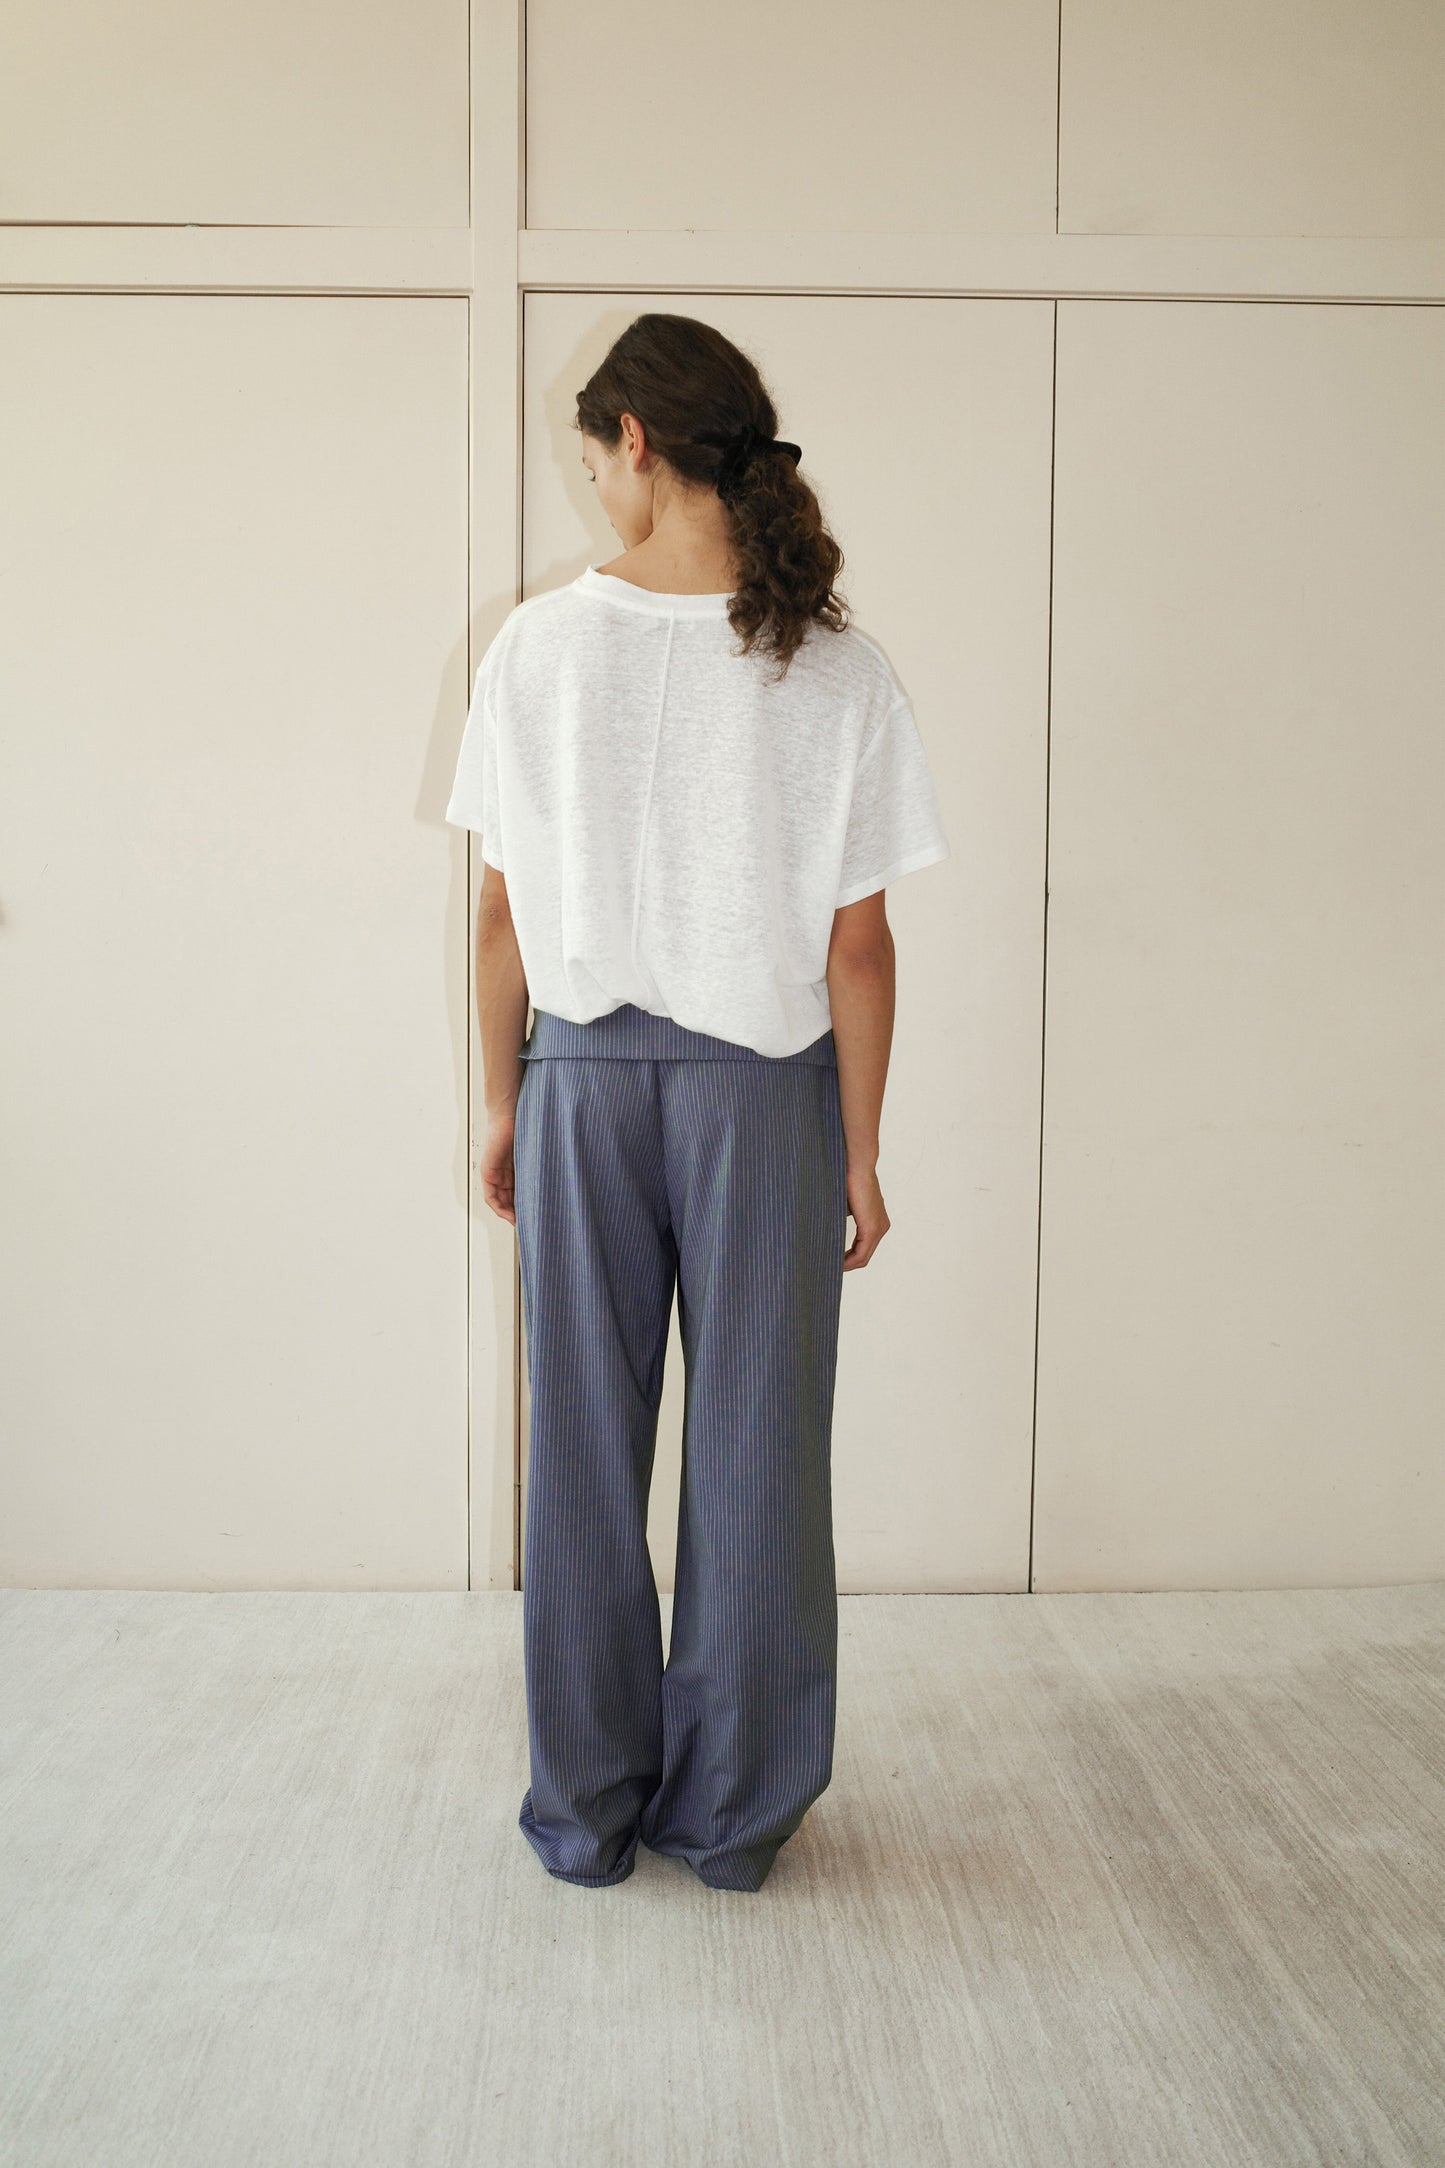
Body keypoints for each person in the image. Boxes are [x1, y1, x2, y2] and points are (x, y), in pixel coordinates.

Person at [445, 311, 950, 1893]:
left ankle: (585, 1817)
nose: (594, 483)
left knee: (581, 1460)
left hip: (583, 1087)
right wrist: (858, 1153)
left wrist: (501, 1105)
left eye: (592, 453)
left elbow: (496, 916)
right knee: (756, 1457)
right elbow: (858, 944)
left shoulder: (534, 646)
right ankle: (731, 1824)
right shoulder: (839, 664)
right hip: (762, 1103)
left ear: (638, 443)